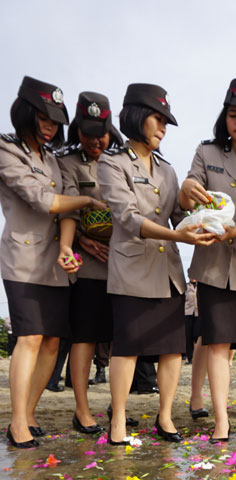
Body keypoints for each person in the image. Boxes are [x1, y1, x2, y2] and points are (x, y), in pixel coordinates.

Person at [97, 83, 216, 445]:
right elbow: (127, 218)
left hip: (168, 274)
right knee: (128, 346)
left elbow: (177, 214)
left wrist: (205, 212)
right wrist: (179, 236)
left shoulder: (166, 168)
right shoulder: (111, 162)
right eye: (157, 119)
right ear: (136, 116)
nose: (163, 128)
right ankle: (118, 419)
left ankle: (165, 417)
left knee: (170, 348)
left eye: (166, 121)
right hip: (132, 270)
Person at [0, 76, 106, 448]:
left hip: (56, 260)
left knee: (51, 341)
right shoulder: (6, 149)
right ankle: (16, 423)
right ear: (26, 112)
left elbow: (67, 214)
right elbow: (45, 201)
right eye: (43, 118)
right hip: (23, 257)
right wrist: (89, 202)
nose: (49, 127)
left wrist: (67, 248)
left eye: (54, 121)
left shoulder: (53, 159)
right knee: (28, 338)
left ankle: (29, 411)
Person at [179, 77, 236, 444]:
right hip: (213, 264)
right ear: (225, 117)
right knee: (217, 343)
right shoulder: (206, 153)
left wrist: (235, 231)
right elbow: (190, 192)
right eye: (233, 114)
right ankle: (221, 421)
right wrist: (188, 192)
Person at [57, 91, 124, 435]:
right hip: (88, 265)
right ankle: (82, 410)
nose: (95, 141)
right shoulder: (66, 162)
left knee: (120, 340)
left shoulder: (125, 157)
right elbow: (62, 207)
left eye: (102, 133)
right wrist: (80, 238)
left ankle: (119, 409)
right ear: (76, 131)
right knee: (84, 336)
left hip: (125, 263)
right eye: (87, 133)